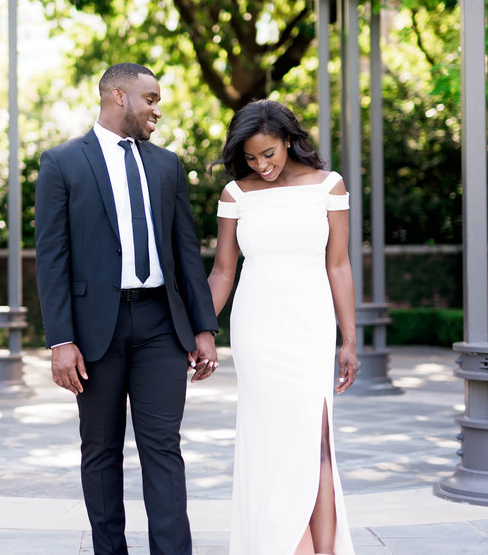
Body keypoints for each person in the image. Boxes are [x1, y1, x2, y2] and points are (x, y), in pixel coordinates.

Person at [35, 63, 221, 555]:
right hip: (96, 330)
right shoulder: (62, 163)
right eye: (151, 99)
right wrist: (61, 339)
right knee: (100, 451)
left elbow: (187, 251)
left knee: (164, 447)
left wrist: (204, 327)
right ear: (118, 96)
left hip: (162, 324)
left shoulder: (167, 165)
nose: (157, 109)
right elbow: (52, 259)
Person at [207, 99, 359, 555]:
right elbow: (221, 272)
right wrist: (199, 330)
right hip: (257, 331)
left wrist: (348, 340)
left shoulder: (328, 186)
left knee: (317, 443)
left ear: (289, 141)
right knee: (271, 443)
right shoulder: (237, 194)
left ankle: (325, 550)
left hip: (310, 329)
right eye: (252, 157)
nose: (262, 165)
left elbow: (339, 266)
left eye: (268, 153)